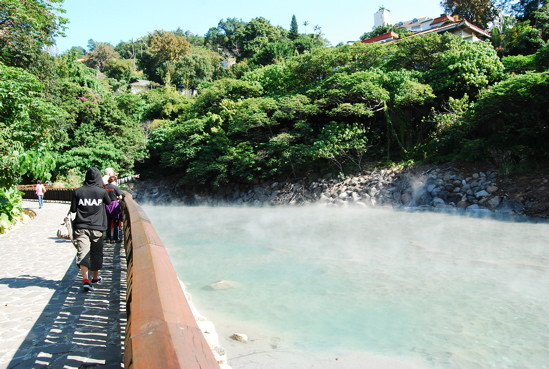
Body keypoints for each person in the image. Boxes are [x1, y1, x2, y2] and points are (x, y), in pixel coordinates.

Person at [71, 167, 112, 292]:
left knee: (82, 253)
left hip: (81, 226)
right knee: (96, 252)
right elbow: (110, 203)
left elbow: (73, 209)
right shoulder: (102, 192)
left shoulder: (77, 191)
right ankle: (95, 277)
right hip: (97, 227)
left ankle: (85, 280)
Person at [104, 175, 123, 244]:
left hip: (106, 205)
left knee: (108, 223)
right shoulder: (115, 187)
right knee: (116, 222)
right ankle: (115, 238)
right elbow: (120, 197)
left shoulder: (105, 187)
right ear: (114, 181)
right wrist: (117, 198)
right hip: (114, 205)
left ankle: (108, 238)